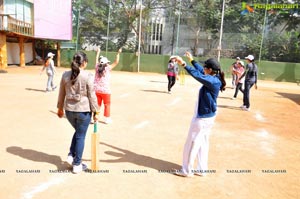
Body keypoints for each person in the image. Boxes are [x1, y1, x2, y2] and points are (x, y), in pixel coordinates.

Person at [173, 52, 226, 177]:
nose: (203, 69)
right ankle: (202, 169)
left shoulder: (212, 81)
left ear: (210, 70)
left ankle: (187, 170)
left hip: (202, 119)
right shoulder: (214, 78)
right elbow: (200, 71)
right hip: (208, 117)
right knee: (202, 143)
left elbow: (198, 75)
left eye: (205, 67)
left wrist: (184, 64)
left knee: (191, 143)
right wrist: (192, 60)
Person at [57, 51, 99, 174]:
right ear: (84, 62)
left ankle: (71, 155)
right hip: (83, 112)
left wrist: (60, 108)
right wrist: (96, 111)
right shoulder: (88, 76)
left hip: (69, 112)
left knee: (79, 132)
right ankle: (77, 164)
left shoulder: (65, 75)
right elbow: (92, 95)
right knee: (81, 135)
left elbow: (61, 93)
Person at [94, 47, 122, 124]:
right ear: (106, 63)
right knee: (107, 105)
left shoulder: (97, 67)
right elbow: (116, 62)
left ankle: (95, 118)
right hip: (105, 91)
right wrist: (118, 53)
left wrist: (98, 52)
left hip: (96, 90)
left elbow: (96, 60)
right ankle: (107, 119)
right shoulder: (108, 68)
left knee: (97, 105)